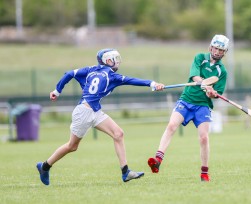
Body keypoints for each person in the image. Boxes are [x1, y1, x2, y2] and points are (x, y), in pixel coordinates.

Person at [36, 48, 164, 185]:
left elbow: (69, 74)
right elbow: (132, 80)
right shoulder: (112, 76)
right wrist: (153, 84)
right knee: (72, 146)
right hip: (84, 113)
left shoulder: (90, 69)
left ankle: (125, 172)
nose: (117, 62)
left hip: (95, 111)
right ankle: (44, 167)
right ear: (108, 61)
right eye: (115, 59)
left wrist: (57, 91)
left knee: (118, 134)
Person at [147, 34, 229, 182]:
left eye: (221, 50)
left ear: (225, 52)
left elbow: (217, 94)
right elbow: (195, 76)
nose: (217, 52)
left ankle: (204, 172)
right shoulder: (199, 58)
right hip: (186, 100)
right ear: (211, 47)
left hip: (203, 105)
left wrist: (212, 93)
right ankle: (158, 160)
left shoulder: (222, 72)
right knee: (171, 125)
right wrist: (205, 84)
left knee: (204, 138)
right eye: (215, 48)